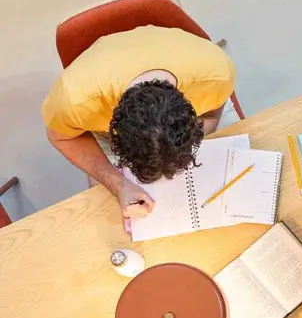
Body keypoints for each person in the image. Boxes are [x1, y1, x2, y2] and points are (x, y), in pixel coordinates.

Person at [43, 25, 235, 217]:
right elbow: (62, 138)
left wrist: (195, 143)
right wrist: (118, 185)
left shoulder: (215, 75)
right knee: (109, 212)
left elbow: (211, 115)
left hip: (196, 100)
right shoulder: (74, 100)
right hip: (101, 115)